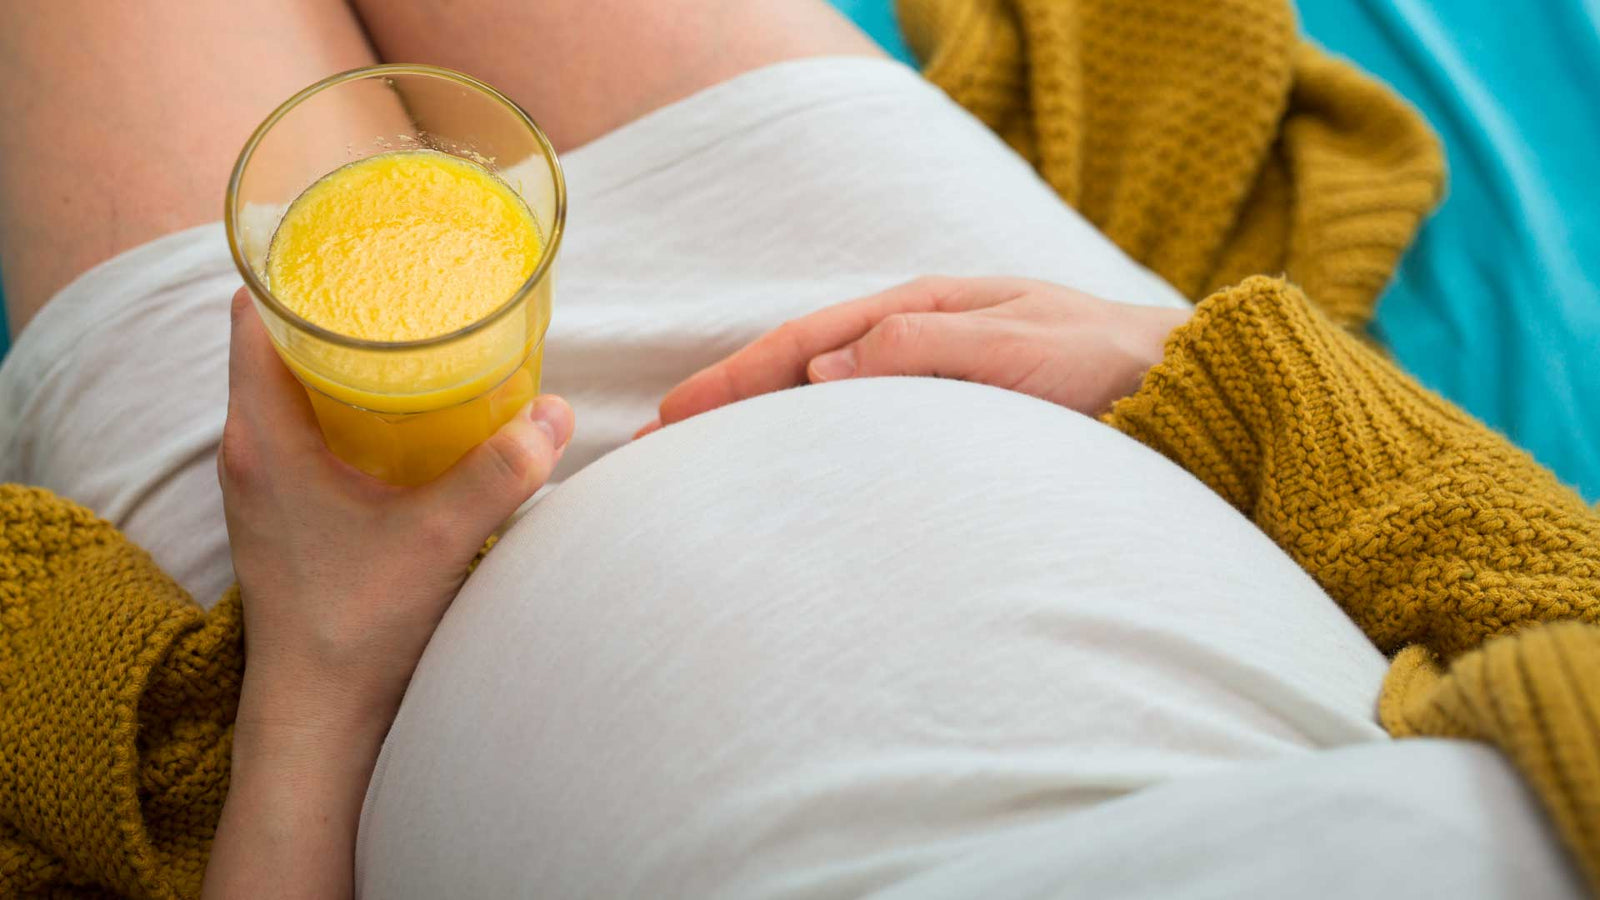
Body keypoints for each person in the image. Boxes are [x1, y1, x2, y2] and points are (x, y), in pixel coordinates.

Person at [0, 1, 1586, 897]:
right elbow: (1562, 608)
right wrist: (1193, 368)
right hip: (919, 311)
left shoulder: (320, 664)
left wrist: (310, 689)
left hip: (342, 646)